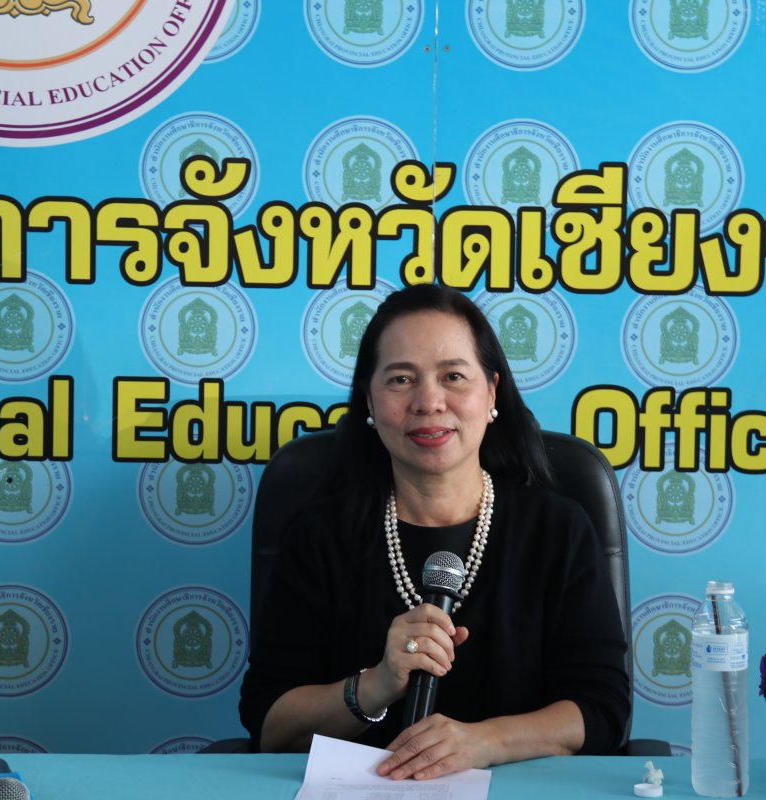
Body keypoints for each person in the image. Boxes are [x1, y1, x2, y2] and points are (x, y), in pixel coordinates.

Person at [239, 283, 630, 779]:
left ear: (491, 392)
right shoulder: (319, 536)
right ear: (369, 400)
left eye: (453, 377)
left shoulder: (557, 531)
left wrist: (483, 742)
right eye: (401, 379)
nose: (428, 401)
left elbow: (602, 709)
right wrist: (374, 686)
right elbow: (269, 724)